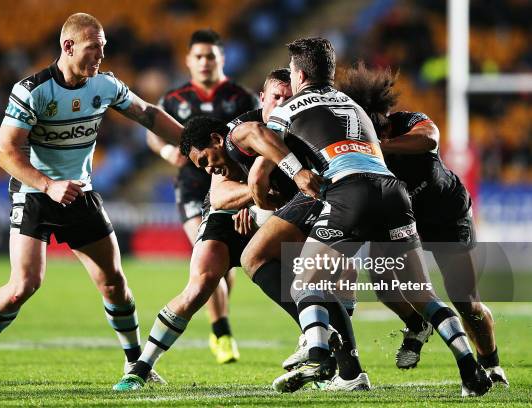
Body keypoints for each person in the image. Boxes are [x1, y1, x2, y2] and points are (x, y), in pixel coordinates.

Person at [0, 13, 183, 386]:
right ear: (68, 46)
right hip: (35, 195)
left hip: (80, 194)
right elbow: (3, 152)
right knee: (23, 285)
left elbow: (149, 115)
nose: (100, 57)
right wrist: (48, 185)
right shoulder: (32, 90)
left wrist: (191, 142)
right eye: (94, 49)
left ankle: (137, 364)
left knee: (114, 283)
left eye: (103, 49)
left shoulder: (104, 85)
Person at [257, 37, 491, 396]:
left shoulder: (289, 108)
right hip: (393, 191)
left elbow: (260, 164)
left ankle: (318, 351)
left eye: (291, 71)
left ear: (300, 74)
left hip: (350, 191)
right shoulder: (355, 105)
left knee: (304, 280)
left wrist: (270, 189)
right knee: (424, 294)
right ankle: (470, 369)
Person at [111, 68, 314, 391]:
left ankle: (317, 350)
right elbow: (219, 195)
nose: (209, 167)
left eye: (286, 97)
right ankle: (141, 366)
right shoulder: (240, 132)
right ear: (263, 99)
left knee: (310, 277)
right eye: (275, 97)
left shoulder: (308, 131)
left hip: (280, 215)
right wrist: (253, 198)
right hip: (228, 215)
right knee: (202, 281)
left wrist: (258, 205)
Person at [337, 63, 507, 385]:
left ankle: (492, 364)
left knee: (466, 302)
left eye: (382, 131)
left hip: (447, 217)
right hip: (400, 220)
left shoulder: (408, 123)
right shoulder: (357, 146)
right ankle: (418, 324)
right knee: (384, 284)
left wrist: (379, 149)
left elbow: (429, 139)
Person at [146, 29, 259, 363]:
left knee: (224, 269)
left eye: (211, 56)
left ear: (221, 59)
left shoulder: (242, 98)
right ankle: (221, 331)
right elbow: (153, 134)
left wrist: (250, 197)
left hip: (234, 187)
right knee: (207, 256)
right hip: (193, 187)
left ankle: (219, 325)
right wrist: (168, 151)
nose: (205, 62)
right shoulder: (175, 99)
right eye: (199, 56)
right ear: (188, 61)